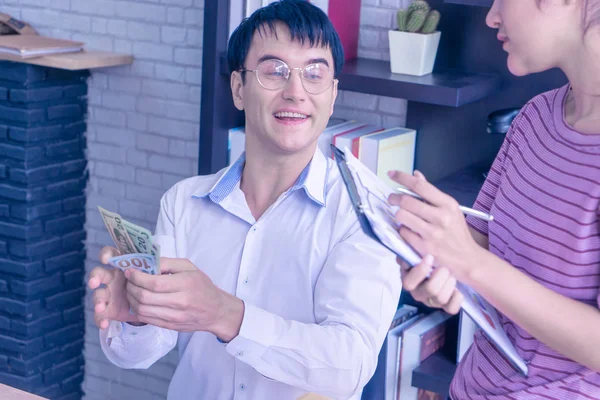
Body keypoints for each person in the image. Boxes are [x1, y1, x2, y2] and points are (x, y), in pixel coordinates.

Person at [87, 1, 402, 399]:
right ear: (239, 88)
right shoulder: (183, 203)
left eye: (314, 74)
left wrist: (225, 315)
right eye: (274, 71)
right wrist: (136, 317)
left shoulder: (365, 214)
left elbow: (349, 364)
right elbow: (142, 354)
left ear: (333, 93)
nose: (296, 92)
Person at [388, 0, 600, 398]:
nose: (491, 16)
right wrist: (435, 268)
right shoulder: (535, 117)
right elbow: (479, 246)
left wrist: (469, 264)